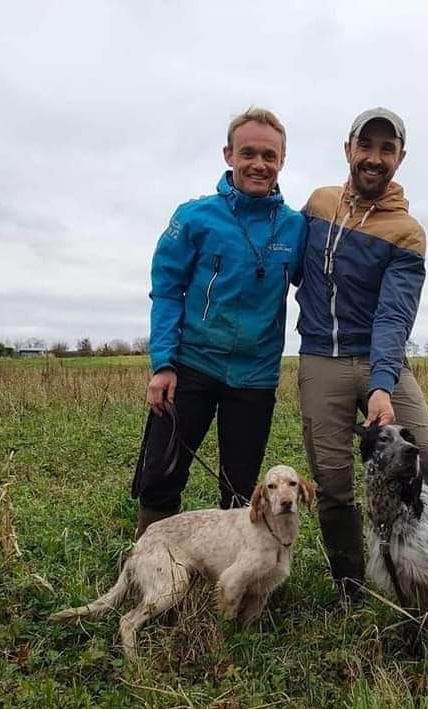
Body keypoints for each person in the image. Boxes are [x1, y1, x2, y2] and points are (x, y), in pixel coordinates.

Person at [295, 107, 428, 600]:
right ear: (348, 149)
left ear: (400, 158)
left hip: (380, 361)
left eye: (387, 149)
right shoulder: (318, 205)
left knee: (427, 465)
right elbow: (292, 270)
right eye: (367, 146)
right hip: (321, 359)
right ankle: (350, 586)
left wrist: (383, 382)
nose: (375, 158)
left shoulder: (408, 232)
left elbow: (393, 316)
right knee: (334, 481)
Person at [131, 107, 306, 538]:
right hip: (191, 365)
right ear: (229, 155)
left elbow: (320, 281)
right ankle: (150, 557)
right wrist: (163, 363)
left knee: (239, 485)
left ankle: (235, 566)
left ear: (282, 161)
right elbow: (167, 291)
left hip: (256, 376)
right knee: (162, 472)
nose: (259, 164)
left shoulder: (296, 227)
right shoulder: (193, 217)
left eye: (270, 155)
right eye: (248, 153)